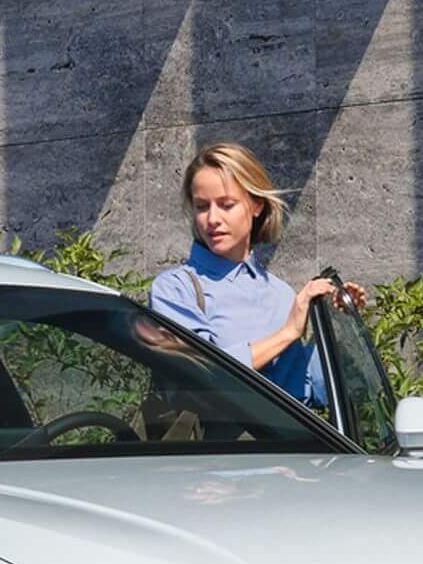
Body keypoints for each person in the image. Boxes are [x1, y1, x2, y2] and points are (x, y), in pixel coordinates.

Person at [146, 142, 365, 410]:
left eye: (226, 205)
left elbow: (310, 392)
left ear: (256, 205)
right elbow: (201, 376)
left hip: (289, 437)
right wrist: (287, 334)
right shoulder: (175, 289)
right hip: (218, 437)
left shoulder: (279, 293)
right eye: (202, 207)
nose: (212, 219)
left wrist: (339, 319)